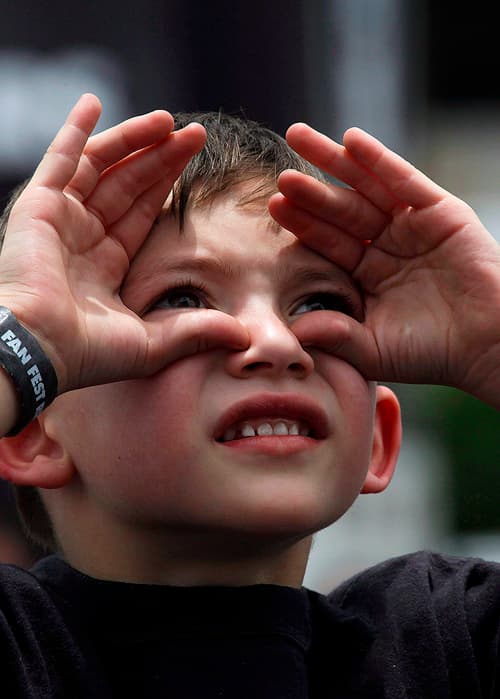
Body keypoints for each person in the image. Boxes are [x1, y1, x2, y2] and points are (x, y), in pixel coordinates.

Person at [0, 93, 498, 698]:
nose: (276, 342)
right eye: (183, 299)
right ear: (32, 428)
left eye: (320, 304)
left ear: (377, 436)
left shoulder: (448, 647)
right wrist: (24, 340)